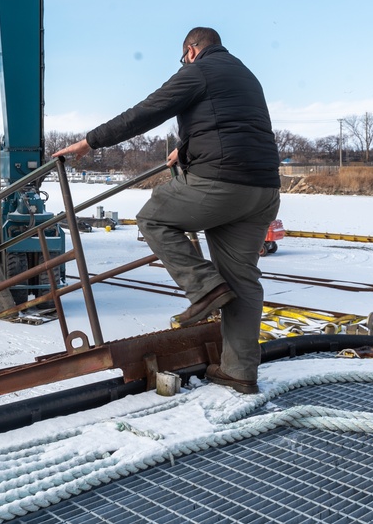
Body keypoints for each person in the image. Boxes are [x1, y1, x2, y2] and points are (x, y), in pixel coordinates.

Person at [53, 27, 280, 395]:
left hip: (222, 183)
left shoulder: (198, 70)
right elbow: (229, 125)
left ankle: (204, 289)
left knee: (153, 218)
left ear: (191, 51)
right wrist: (185, 148)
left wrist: (88, 143)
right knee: (242, 281)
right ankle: (239, 372)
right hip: (264, 190)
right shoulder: (244, 74)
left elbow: (147, 111)